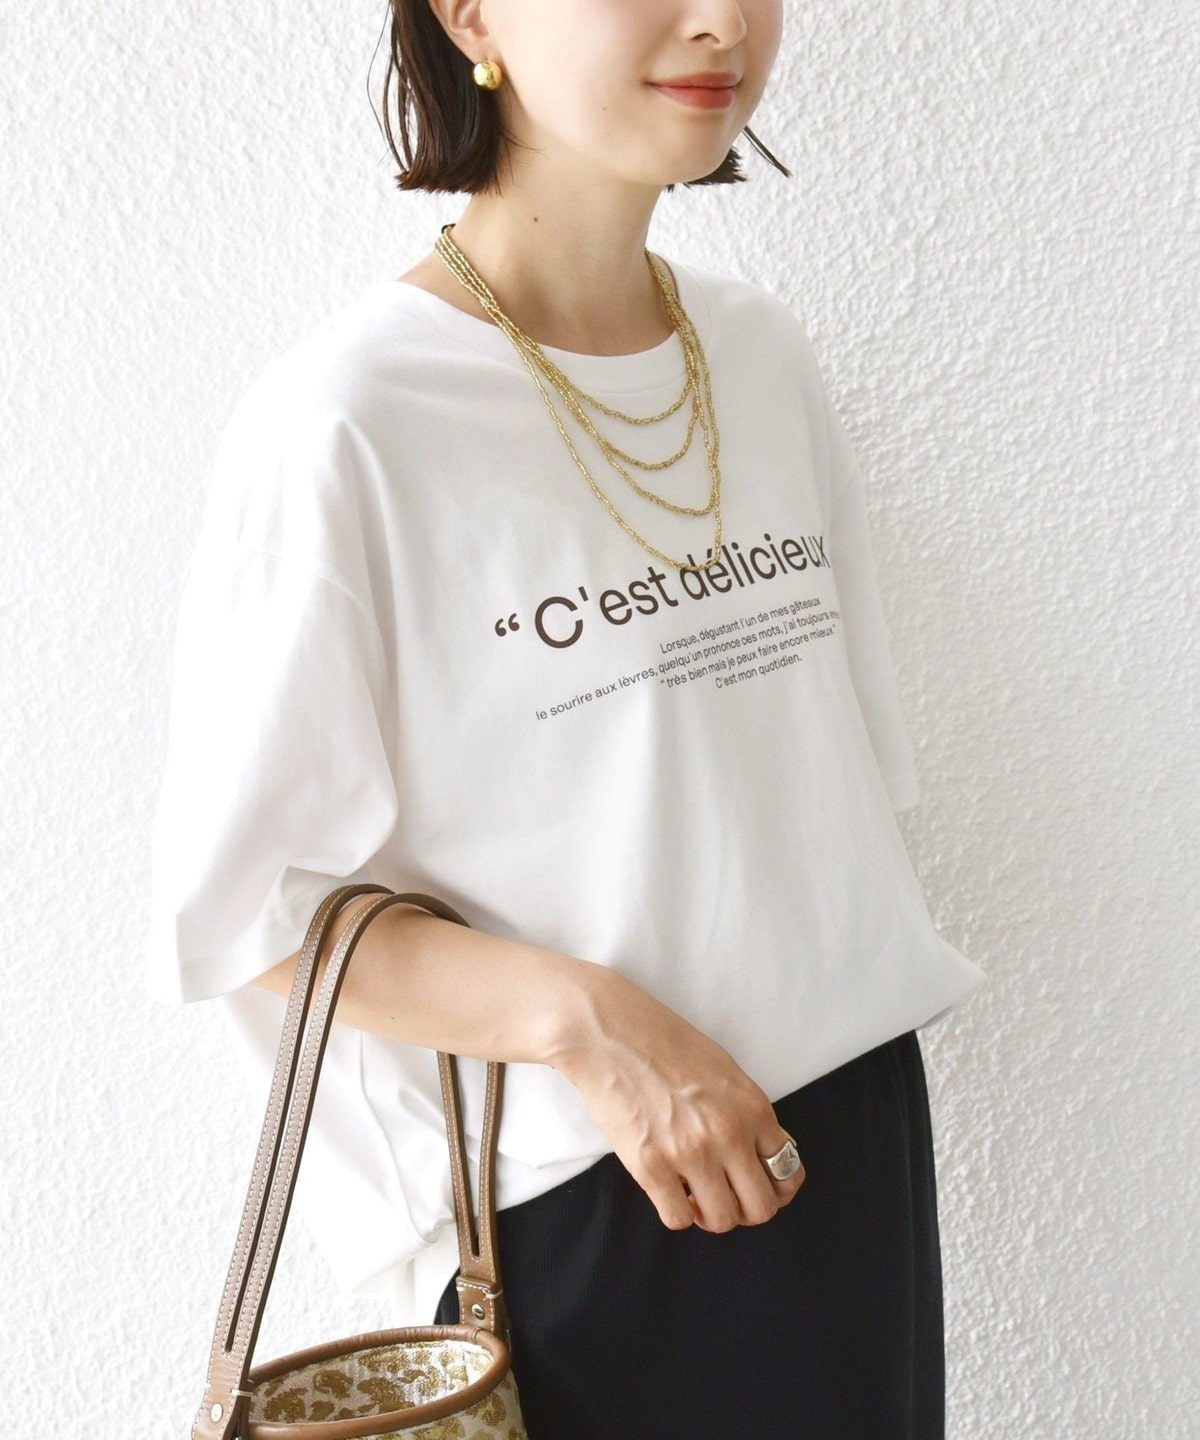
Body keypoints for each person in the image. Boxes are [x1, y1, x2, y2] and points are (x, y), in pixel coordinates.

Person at [147, 0, 985, 1434]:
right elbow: (250, 914)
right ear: (469, 10)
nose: (718, 22)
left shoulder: (761, 356)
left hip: (847, 1143)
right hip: (593, 1205)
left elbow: (825, 806)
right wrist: (590, 1025)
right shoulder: (347, 422)